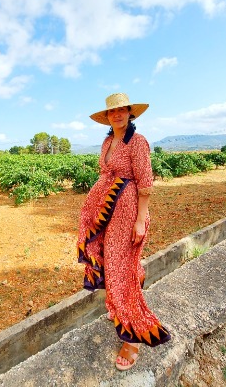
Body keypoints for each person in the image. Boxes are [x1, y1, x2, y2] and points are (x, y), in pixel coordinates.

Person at [77, 93, 171, 371]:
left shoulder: (137, 142)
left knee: (122, 266)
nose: (117, 114)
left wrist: (140, 220)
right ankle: (120, 306)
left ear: (130, 113)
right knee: (112, 261)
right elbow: (105, 173)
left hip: (127, 210)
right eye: (112, 111)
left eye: (122, 110)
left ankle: (134, 337)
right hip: (107, 209)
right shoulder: (108, 141)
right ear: (107, 117)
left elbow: (145, 183)